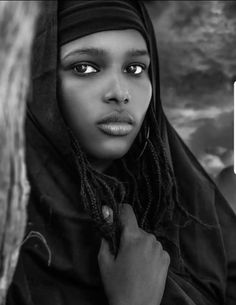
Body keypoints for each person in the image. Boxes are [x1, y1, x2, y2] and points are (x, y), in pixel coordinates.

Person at [6, 1, 236, 305]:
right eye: (84, 67)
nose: (120, 91)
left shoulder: (186, 209)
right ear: (36, 82)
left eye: (135, 68)